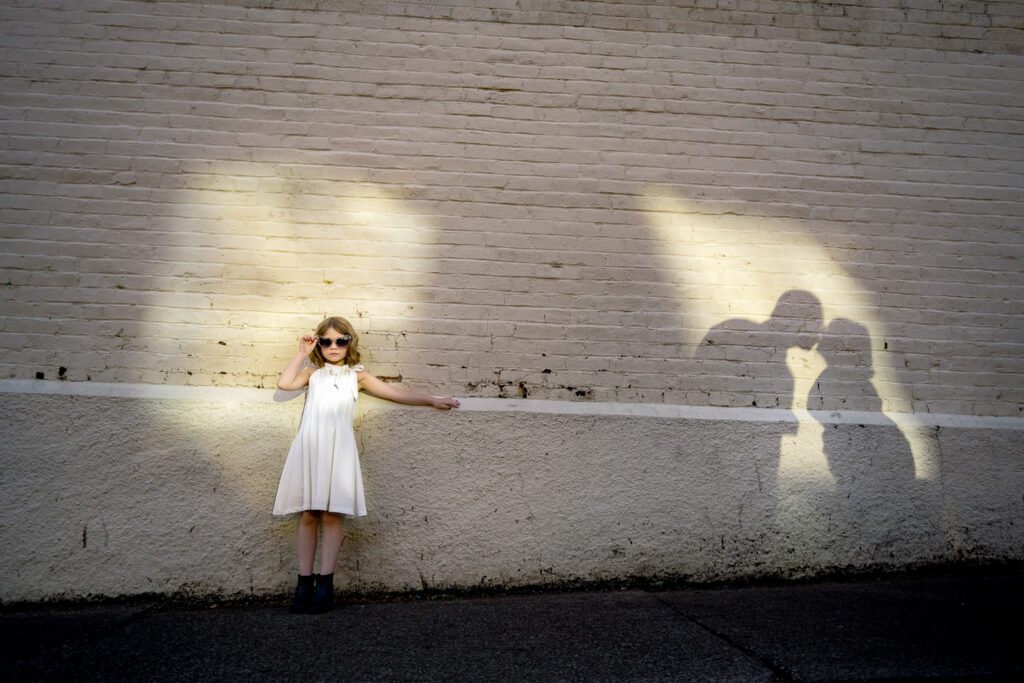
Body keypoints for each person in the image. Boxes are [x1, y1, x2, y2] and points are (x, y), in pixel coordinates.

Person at [274, 316, 459, 614]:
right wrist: (301, 354)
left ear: (350, 343)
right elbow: (284, 384)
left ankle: (325, 585)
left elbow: (395, 393)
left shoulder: (356, 377)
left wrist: (431, 399)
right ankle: (303, 584)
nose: (334, 346)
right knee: (308, 514)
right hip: (310, 447)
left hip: (339, 450)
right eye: (327, 341)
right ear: (319, 344)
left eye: (340, 340)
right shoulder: (312, 373)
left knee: (333, 515)